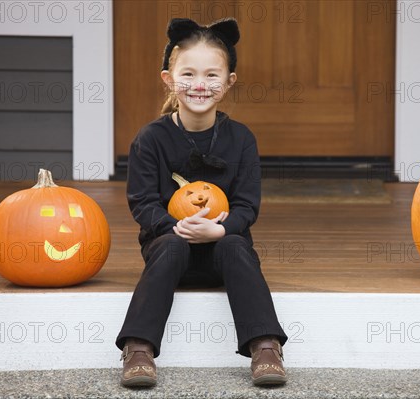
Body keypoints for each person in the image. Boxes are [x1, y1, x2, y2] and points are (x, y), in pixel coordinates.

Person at [115, 17, 288, 388]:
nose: (199, 85)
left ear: (229, 82)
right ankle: (139, 347)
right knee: (171, 248)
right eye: (188, 74)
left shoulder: (241, 139)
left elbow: (247, 205)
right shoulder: (151, 139)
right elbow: (142, 202)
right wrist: (174, 227)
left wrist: (221, 228)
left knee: (237, 247)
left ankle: (265, 345)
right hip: (168, 246)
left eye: (212, 75)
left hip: (222, 250)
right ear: (168, 78)